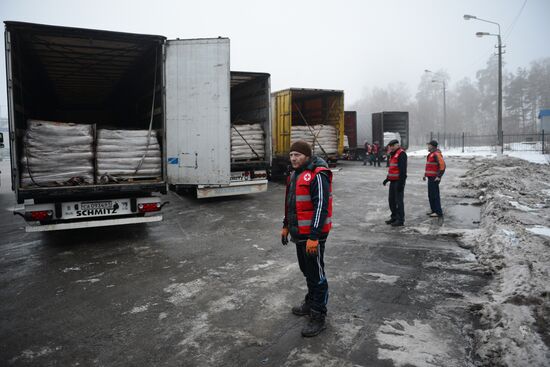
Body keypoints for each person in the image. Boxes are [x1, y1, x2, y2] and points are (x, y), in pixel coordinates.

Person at [281, 140, 332, 337]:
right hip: (299, 233)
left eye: (298, 155)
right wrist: (286, 225)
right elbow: (291, 203)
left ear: (307, 156)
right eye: (291, 154)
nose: (293, 158)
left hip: (313, 235)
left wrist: (314, 236)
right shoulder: (294, 174)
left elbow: (321, 206)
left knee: (316, 273)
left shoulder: (318, 174)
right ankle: (311, 302)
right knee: (306, 269)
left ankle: (319, 315)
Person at [383, 139, 407, 226]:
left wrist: (401, 183)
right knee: (391, 200)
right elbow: (393, 169)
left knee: (399, 201)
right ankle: (394, 217)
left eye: (392, 146)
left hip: (398, 181)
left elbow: (402, 171)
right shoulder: (393, 154)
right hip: (393, 181)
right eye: (390, 146)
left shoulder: (401, 154)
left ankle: (400, 220)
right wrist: (387, 179)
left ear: (397, 145)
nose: (391, 148)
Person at [423, 140, 446, 217]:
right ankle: (433, 210)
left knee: (435, 195)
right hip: (430, 177)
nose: (428, 146)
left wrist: (439, 176)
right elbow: (430, 166)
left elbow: (442, 166)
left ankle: (438, 212)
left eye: (429, 145)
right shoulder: (431, 154)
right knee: (431, 195)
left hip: (434, 178)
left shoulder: (436, 154)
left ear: (432, 146)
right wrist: (425, 175)